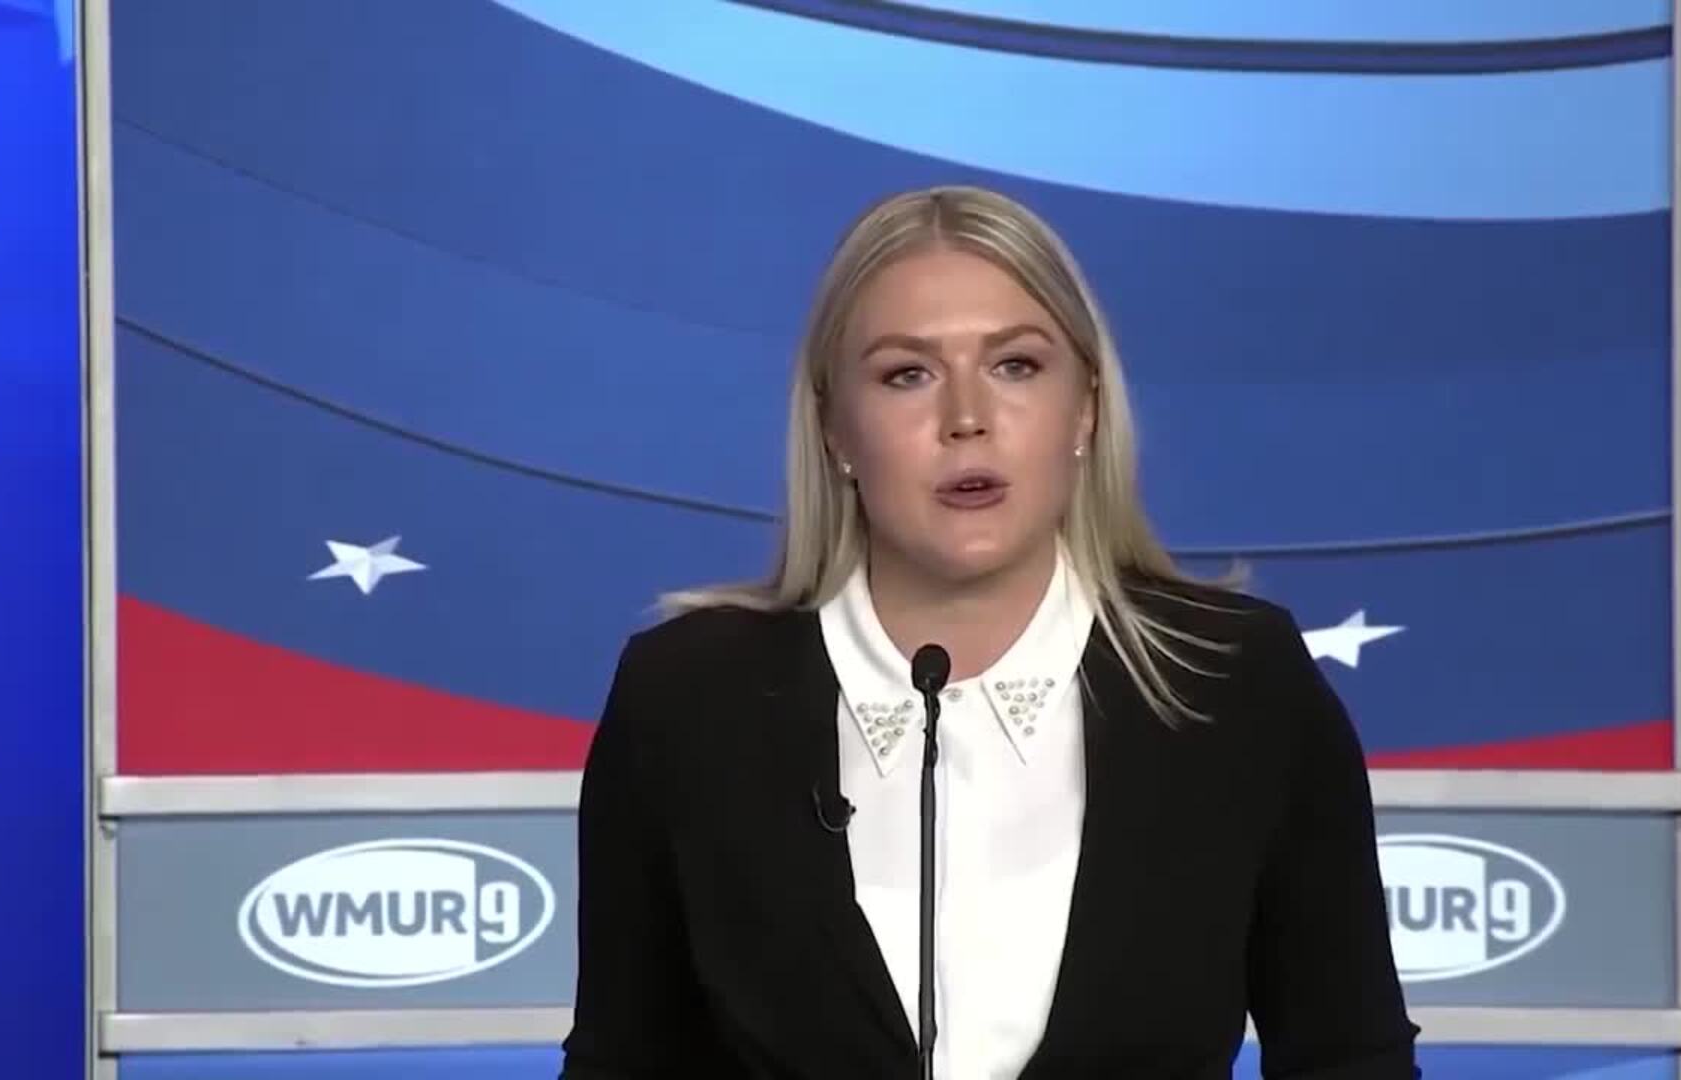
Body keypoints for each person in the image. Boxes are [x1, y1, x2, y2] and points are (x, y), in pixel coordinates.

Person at [559, 185, 1418, 1078]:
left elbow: (1349, 1061)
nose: (966, 417)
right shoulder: (687, 699)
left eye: (1015, 365)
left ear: (1086, 406)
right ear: (833, 429)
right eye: (908, 374)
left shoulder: (1236, 681)